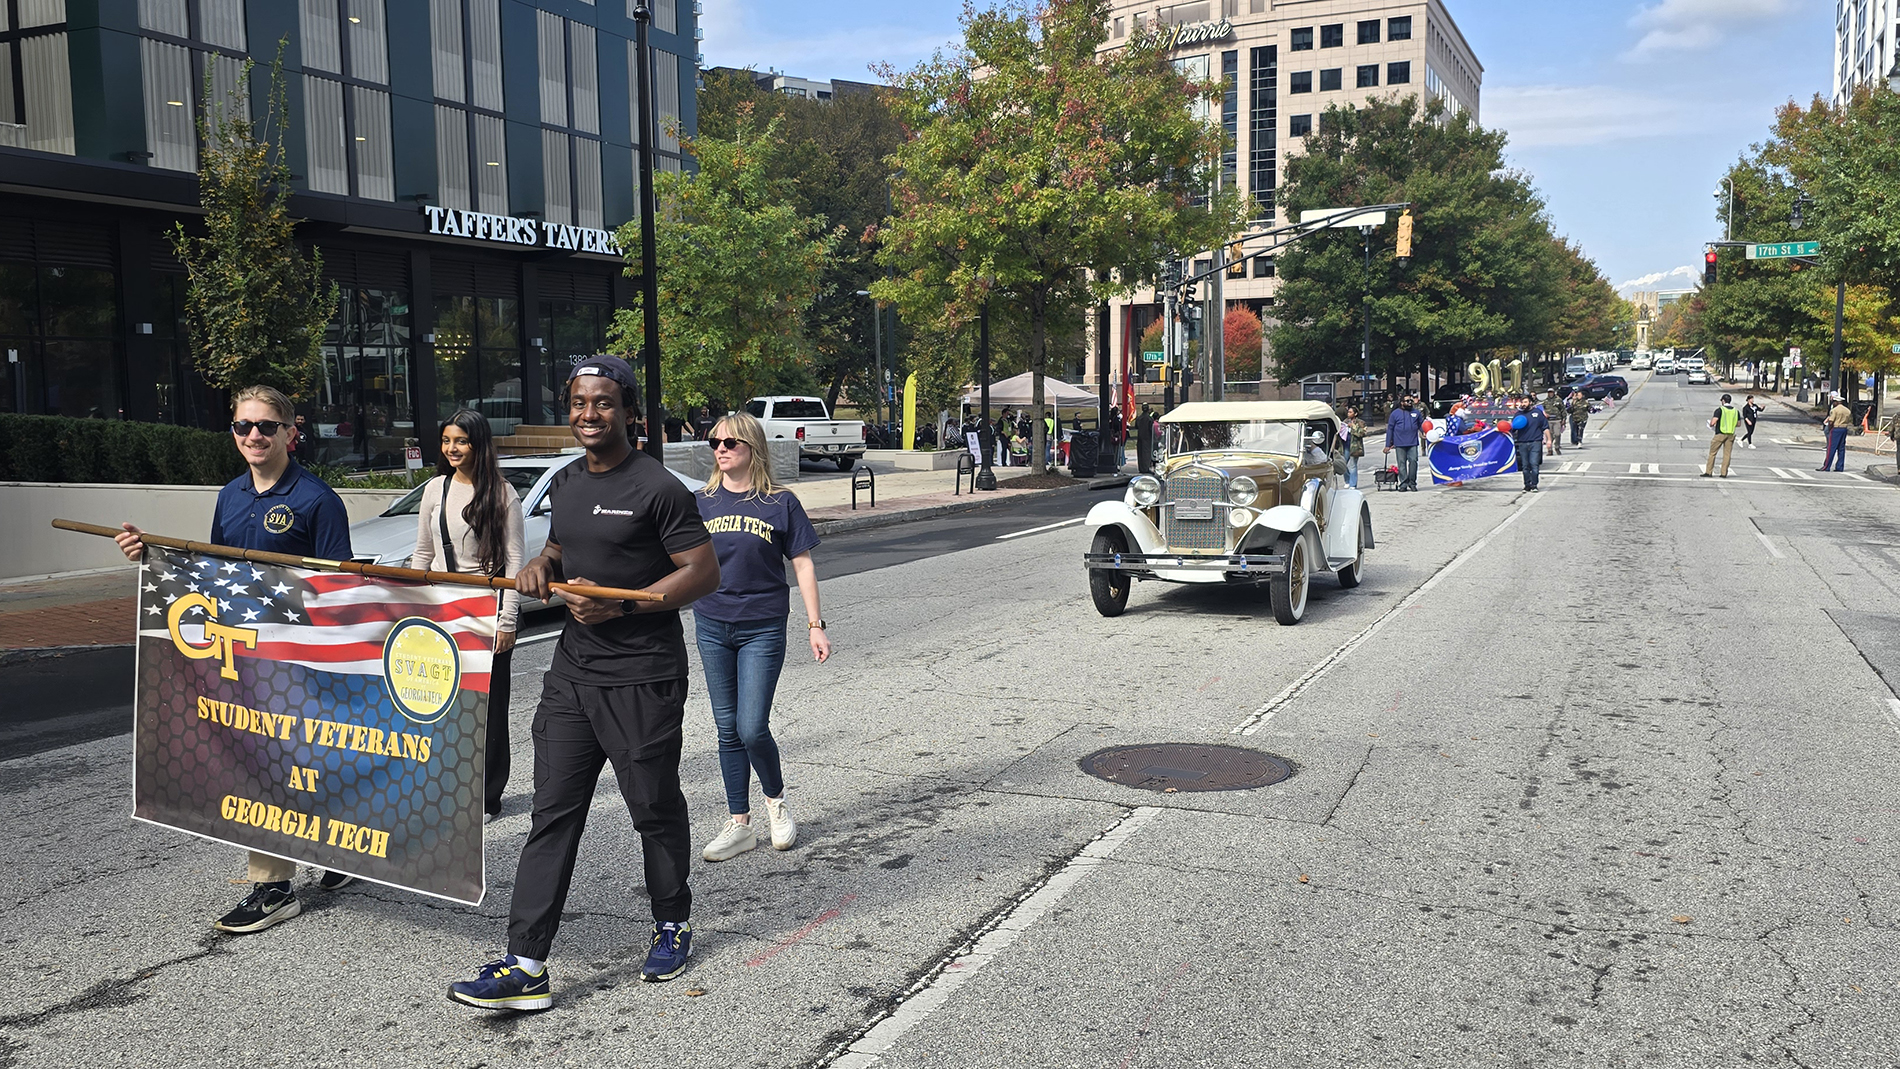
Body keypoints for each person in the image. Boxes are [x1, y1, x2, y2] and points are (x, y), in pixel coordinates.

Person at [449, 355, 720, 1011]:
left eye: (602, 402)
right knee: (553, 812)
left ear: (628, 410)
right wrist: (542, 565)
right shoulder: (566, 482)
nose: (588, 413)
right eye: (578, 402)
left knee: (652, 804)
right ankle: (526, 962)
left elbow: (702, 571)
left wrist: (624, 603)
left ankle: (672, 919)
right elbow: (561, 549)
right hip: (572, 673)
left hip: (642, 675)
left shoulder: (658, 487)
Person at [113, 385, 354, 934]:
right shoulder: (230, 496)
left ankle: (340, 850)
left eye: (266, 426)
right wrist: (149, 555)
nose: (253, 436)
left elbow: (337, 589)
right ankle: (273, 887)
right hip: (240, 654)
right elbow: (211, 572)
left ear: (291, 432)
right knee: (257, 763)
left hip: (298, 658)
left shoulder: (318, 500)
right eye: (243, 426)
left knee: (312, 761)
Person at [692, 412, 830, 864]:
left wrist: (815, 625)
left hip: (762, 626)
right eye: (715, 442)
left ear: (751, 447)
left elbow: (803, 565)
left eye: (730, 442)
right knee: (726, 729)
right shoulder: (701, 503)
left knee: (752, 726)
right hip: (712, 625)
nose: (721, 450)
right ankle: (739, 824)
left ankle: (776, 804)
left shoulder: (779, 503)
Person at [412, 409, 526, 821]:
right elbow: (423, 553)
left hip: (486, 607)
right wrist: (409, 602)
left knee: (489, 707)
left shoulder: (502, 493)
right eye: (446, 441)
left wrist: (507, 620)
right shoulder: (435, 489)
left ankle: (487, 796)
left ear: (478, 444)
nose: (452, 449)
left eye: (460, 441)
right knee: (443, 702)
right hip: (443, 608)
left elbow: (515, 560)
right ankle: (448, 784)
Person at [1383, 393, 1424, 491]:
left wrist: (1424, 433)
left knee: (1413, 461)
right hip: (1399, 443)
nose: (1410, 402)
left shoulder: (1416, 413)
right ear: (1402, 403)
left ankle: (1412, 482)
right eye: (1407, 401)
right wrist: (1387, 445)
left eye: (1411, 400)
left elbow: (1421, 425)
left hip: (1413, 442)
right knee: (1401, 463)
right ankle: (1403, 483)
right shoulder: (1395, 413)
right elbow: (1390, 429)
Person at [1511, 394, 1550, 492]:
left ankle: (1534, 485)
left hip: (1535, 442)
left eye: (1525, 402)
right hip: (1522, 442)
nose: (1523, 404)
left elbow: (1545, 427)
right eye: (1522, 402)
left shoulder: (1537, 413)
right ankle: (1527, 485)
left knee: (1534, 464)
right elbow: (1513, 428)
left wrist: (1549, 440)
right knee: (1525, 466)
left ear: (1530, 402)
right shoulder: (1518, 414)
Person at [1703, 393, 1740, 478]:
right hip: (1730, 434)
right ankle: (1724, 473)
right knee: (1727, 455)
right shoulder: (1735, 411)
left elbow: (1713, 423)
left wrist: (1711, 425)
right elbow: (1738, 424)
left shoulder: (1720, 410)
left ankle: (1709, 472)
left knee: (1712, 453)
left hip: (1720, 434)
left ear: (1723, 401)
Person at [1820, 392, 1852, 472]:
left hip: (1836, 429)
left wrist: (1830, 429)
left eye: (1834, 402)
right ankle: (1840, 467)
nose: (1833, 403)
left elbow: (1831, 421)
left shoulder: (1834, 410)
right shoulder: (1847, 411)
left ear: (1837, 402)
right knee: (1841, 449)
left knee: (1831, 448)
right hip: (1844, 429)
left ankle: (1826, 466)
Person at [1341, 407, 1367, 488]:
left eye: (1350, 412)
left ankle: (1353, 484)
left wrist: (1353, 427)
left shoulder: (1360, 422)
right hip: (1345, 446)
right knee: (1343, 464)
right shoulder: (1345, 421)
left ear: (1355, 414)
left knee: (1352, 466)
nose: (1348, 413)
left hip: (1355, 447)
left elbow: (1362, 433)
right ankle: (1347, 480)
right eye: (1348, 412)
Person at [1541, 390, 1563, 457]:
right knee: (1549, 436)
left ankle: (1557, 447)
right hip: (1548, 420)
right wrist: (1544, 414)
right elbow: (1542, 410)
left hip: (1557, 419)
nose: (1550, 394)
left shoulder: (1558, 400)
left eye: (1551, 392)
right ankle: (1549, 450)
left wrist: (1563, 419)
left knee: (1557, 434)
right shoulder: (1545, 401)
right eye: (1549, 392)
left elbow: (1562, 409)